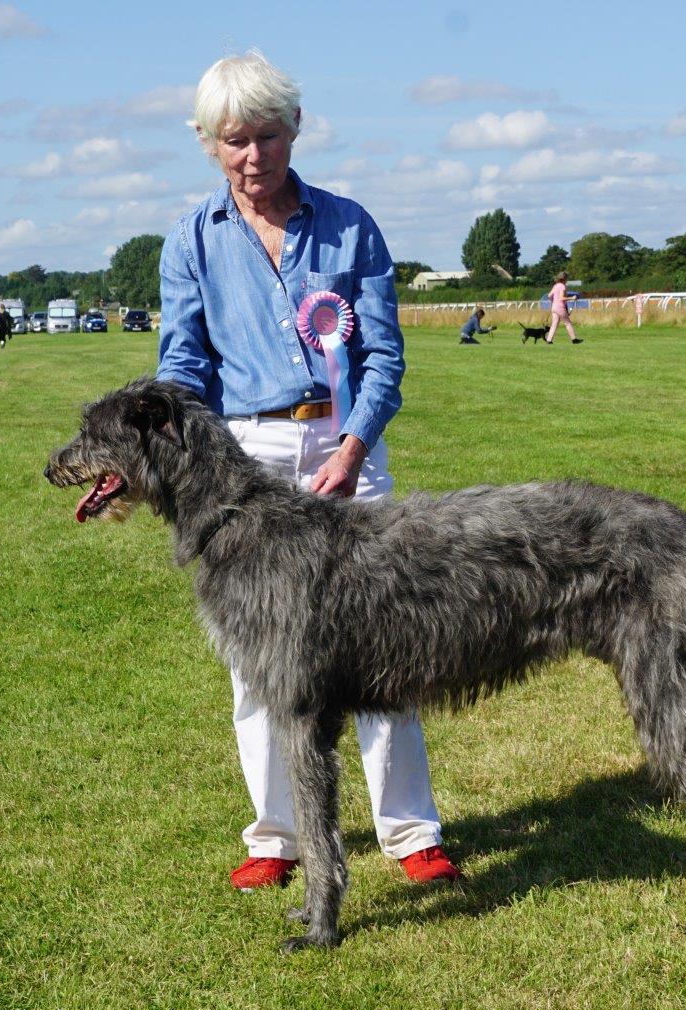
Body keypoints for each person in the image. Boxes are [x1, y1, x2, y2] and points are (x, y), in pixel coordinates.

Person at [157, 50, 460, 891]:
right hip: (245, 463)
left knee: (389, 648)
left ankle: (410, 834)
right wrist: (203, 472)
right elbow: (184, 367)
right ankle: (275, 839)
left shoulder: (350, 225)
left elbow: (383, 356)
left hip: (346, 448)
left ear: (296, 129)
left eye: (268, 135)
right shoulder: (191, 241)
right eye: (235, 141)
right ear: (211, 145)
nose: (254, 157)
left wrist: (353, 448)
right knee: (259, 667)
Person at [545, 272, 584, 345]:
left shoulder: (555, 286)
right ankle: (574, 339)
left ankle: (549, 340)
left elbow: (549, 296)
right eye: (567, 279)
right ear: (564, 279)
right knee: (568, 323)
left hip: (554, 307)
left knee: (554, 324)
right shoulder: (563, 286)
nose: (567, 280)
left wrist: (554, 301)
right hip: (560, 307)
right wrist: (572, 298)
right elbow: (562, 298)